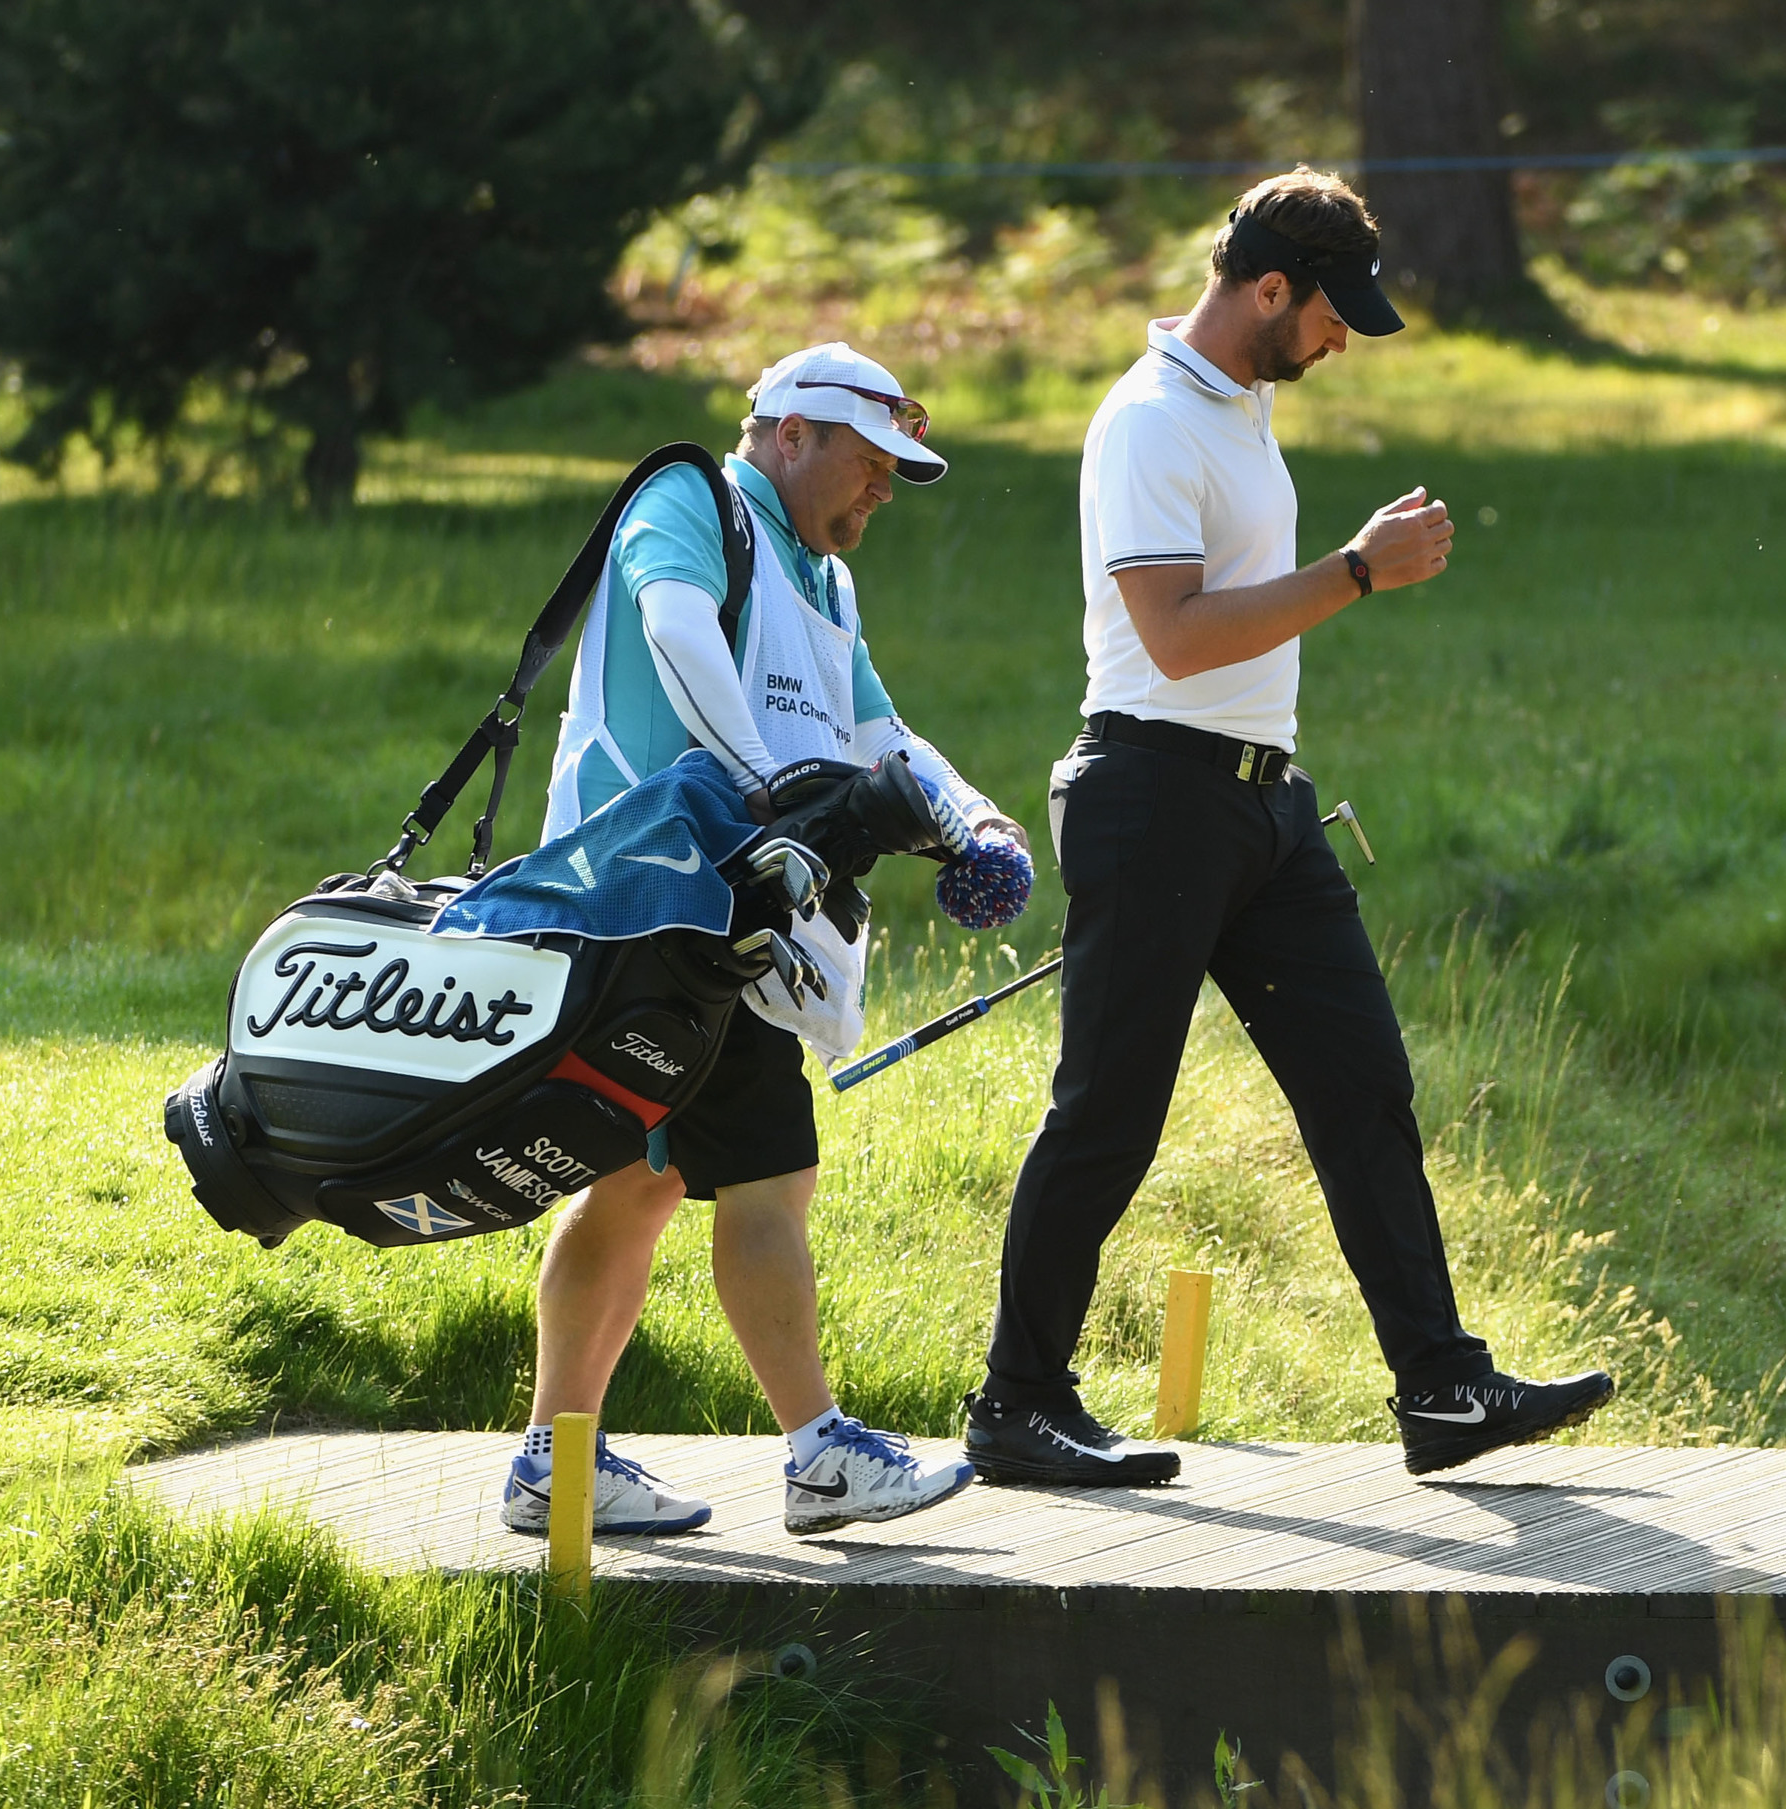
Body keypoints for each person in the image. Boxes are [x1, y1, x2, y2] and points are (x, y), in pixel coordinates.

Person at [961, 171, 1613, 1488]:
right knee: (1108, 1116)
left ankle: (1442, 1388)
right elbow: (1176, 637)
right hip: (1152, 796)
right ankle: (1017, 1404)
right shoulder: (1151, 423)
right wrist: (1359, 571)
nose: (1336, 344)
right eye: (1329, 317)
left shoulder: (1240, 402)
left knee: (1364, 1085)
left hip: (1263, 802)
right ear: (1268, 290)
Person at [497, 343, 1020, 1539]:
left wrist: (972, 823)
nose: (884, 491)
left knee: (640, 1181)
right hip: (650, 904)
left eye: (899, 471)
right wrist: (773, 791)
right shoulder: (689, 500)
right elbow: (676, 632)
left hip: (722, 914)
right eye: (872, 464)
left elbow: (882, 731)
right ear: (792, 435)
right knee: (771, 1172)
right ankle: (819, 1453)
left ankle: (551, 1462)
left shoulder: (826, 580)